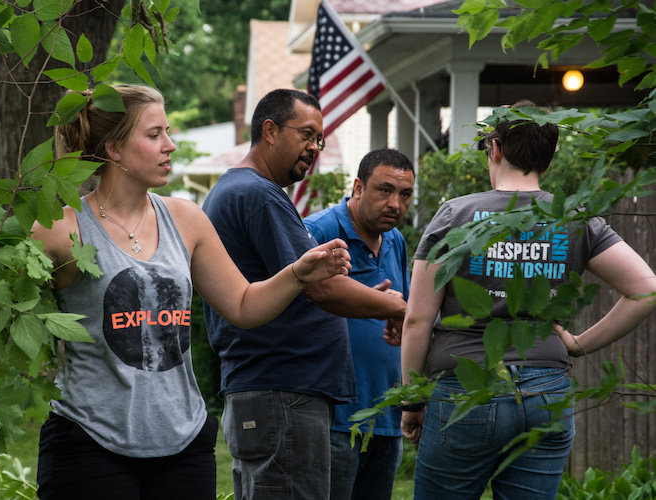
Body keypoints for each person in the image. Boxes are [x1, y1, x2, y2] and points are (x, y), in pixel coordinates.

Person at [0, 84, 353, 499]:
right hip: (90, 444)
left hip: (183, 445)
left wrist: (297, 274)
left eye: (168, 133)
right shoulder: (62, 229)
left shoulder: (186, 220)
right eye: (155, 134)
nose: (170, 145)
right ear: (114, 149)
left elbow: (241, 304)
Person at [400, 100, 656, 500]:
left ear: (496, 149)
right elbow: (646, 289)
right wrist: (579, 344)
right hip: (547, 392)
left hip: (467, 385)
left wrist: (412, 400)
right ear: (547, 158)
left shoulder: (455, 215)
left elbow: (416, 320)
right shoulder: (574, 219)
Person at [201, 89, 408, 500]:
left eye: (321, 139)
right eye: (307, 134)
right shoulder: (258, 194)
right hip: (283, 393)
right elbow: (321, 287)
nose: (315, 147)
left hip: (277, 392)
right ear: (270, 130)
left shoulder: (247, 191)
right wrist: (398, 305)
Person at [304, 148, 414, 500]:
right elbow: (302, 300)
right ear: (358, 188)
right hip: (334, 417)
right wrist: (378, 303)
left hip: (385, 415)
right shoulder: (318, 230)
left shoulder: (396, 241)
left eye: (405, 194)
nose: (395, 203)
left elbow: (405, 311)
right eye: (384, 190)